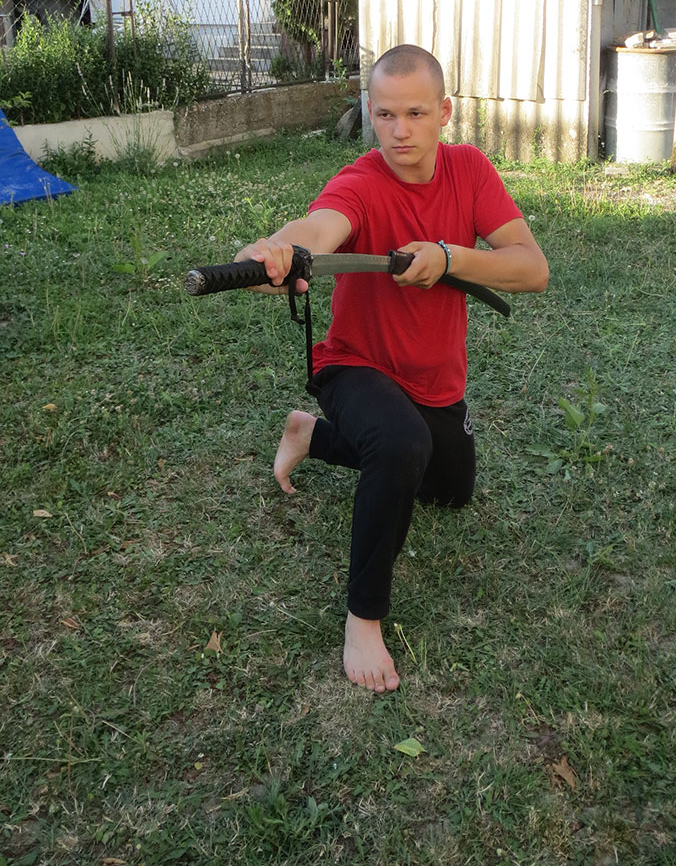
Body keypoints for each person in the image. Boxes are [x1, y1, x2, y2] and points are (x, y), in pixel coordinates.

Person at [235, 44, 549, 693]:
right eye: (384, 115)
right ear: (369, 112)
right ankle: (363, 618)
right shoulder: (361, 181)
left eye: (415, 113)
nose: (399, 131)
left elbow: (532, 268)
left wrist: (449, 257)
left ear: (445, 112)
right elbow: (318, 227)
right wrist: (275, 254)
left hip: (435, 382)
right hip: (356, 367)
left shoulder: (470, 171)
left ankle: (311, 436)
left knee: (449, 490)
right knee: (400, 444)